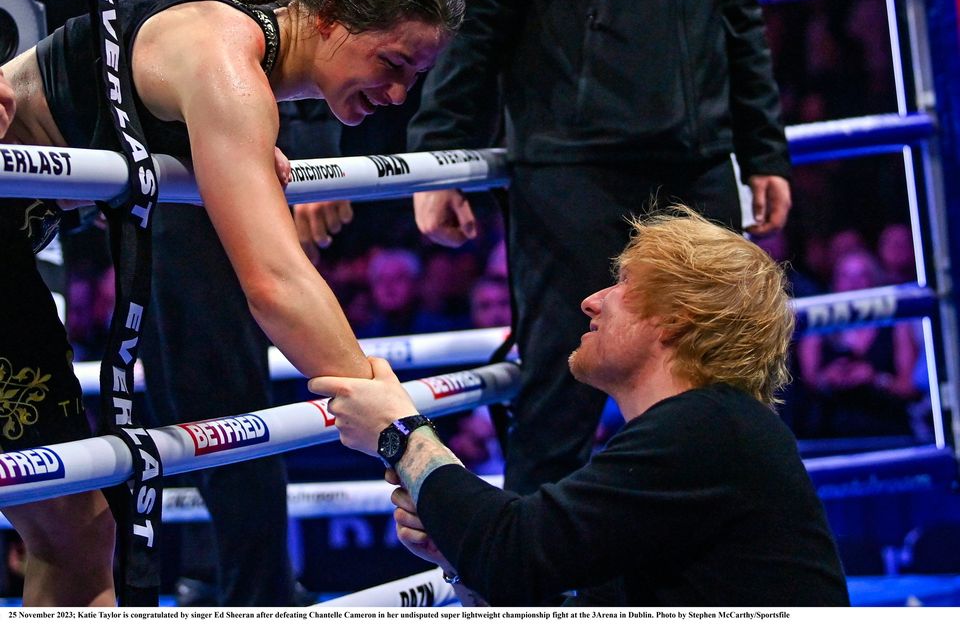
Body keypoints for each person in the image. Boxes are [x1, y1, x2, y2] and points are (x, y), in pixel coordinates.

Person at [0, 0, 463, 606]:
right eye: (392, 64)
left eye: (414, 79)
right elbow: (276, 283)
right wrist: (398, 423)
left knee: (76, 531)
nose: (398, 96)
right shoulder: (226, 63)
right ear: (330, 15)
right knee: (72, 530)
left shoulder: (231, 56)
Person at [406, 0, 792, 495]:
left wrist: (762, 148)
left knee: (727, 388)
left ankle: (716, 576)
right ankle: (536, 582)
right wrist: (441, 151)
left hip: (699, 157)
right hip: (573, 163)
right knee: (562, 395)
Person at [314, 207, 849, 606]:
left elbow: (515, 547)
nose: (592, 300)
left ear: (677, 318)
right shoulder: (701, 433)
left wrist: (398, 432)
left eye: (624, 284)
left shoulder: (709, 428)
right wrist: (462, 558)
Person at [105, 0, 337, 606]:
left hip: (224, 82)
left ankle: (259, 589)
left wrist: (313, 142)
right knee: (173, 377)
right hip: (133, 84)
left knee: (220, 372)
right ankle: (225, 572)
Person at [796, 249, 920, 439]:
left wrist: (875, 378)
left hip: (886, 427)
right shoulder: (818, 325)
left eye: (861, 276)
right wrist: (828, 379)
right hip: (831, 431)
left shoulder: (896, 325)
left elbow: (909, 387)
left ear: (874, 280)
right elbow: (806, 383)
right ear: (835, 282)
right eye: (845, 276)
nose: (853, 284)